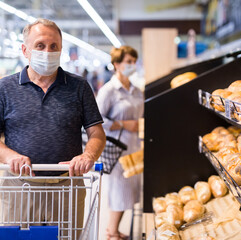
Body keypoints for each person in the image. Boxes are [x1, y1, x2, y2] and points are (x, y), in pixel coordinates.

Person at [0, 18, 106, 237]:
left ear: (61, 49)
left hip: (67, 186)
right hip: (21, 186)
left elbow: (97, 133)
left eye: (53, 46)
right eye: (40, 45)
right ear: (25, 50)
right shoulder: (5, 88)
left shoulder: (79, 87)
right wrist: (10, 157)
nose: (47, 51)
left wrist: (88, 156)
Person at [96, 46, 144, 240]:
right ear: (116, 64)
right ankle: (111, 232)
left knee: (130, 192)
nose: (132, 65)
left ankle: (113, 230)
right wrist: (123, 123)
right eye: (128, 62)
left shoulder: (136, 90)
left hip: (134, 147)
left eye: (134, 62)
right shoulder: (109, 91)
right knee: (119, 191)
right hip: (116, 149)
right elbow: (96, 119)